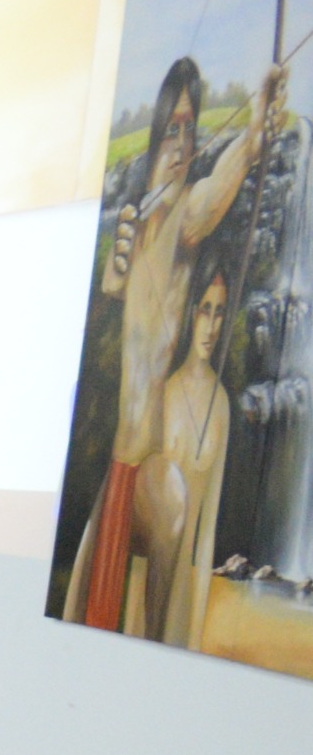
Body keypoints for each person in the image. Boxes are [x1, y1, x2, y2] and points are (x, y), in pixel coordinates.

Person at [69, 55, 283, 633]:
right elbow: (107, 303)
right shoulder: (140, 222)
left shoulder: (187, 213)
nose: (183, 144)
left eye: (191, 130)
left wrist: (255, 129)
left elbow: (214, 193)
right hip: (117, 467)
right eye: (172, 129)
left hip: (146, 463)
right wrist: (115, 273)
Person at [140, 270, 232, 651]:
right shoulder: (164, 393)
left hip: (182, 600)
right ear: (192, 311)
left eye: (220, 312)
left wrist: (194, 639)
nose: (211, 326)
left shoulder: (222, 404)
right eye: (205, 309)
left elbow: (207, 533)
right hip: (149, 589)